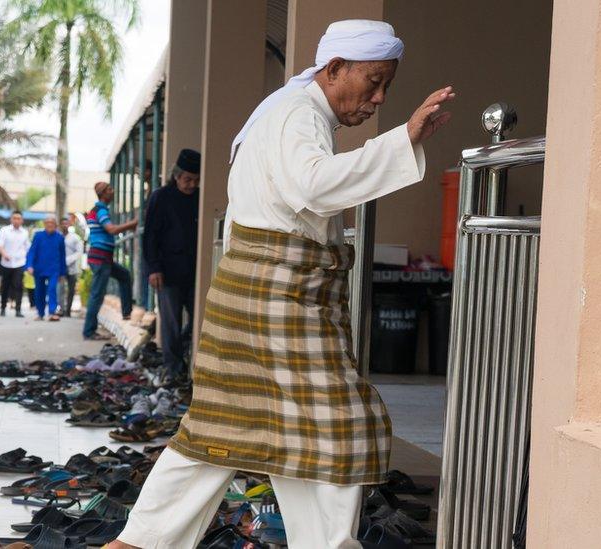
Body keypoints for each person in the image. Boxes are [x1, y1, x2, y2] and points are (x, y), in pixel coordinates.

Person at [108, 20, 455, 549]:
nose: (379, 98)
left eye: (387, 86)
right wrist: (401, 139)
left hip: (265, 292)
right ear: (335, 69)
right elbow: (313, 186)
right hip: (277, 295)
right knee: (337, 425)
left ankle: (138, 543)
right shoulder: (296, 114)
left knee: (238, 427)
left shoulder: (291, 111)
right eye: (374, 81)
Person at [142, 148, 201, 383]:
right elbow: (150, 237)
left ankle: (183, 356)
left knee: (198, 319)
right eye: (187, 179)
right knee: (170, 324)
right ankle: (172, 369)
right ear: (176, 176)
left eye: (196, 180)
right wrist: (153, 268)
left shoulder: (199, 198)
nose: (191, 185)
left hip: (193, 270)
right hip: (166, 271)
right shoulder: (161, 197)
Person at [82, 182, 137, 340]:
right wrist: (132, 224)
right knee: (97, 295)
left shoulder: (97, 209)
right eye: (110, 190)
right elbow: (111, 229)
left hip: (103, 258)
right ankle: (89, 331)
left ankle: (126, 313)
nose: (113, 192)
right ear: (103, 193)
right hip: (100, 259)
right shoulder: (100, 210)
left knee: (124, 276)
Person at [26, 214, 67, 321]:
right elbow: (32, 252)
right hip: (39, 268)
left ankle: (52, 312)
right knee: (39, 291)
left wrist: (63, 272)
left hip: (54, 269)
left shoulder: (60, 238)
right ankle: (40, 313)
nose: (50, 225)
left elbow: (63, 256)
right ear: (44, 224)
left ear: (56, 225)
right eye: (47, 222)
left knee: (52, 289)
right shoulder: (38, 236)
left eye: (52, 223)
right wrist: (29, 265)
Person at [0, 210, 29, 318]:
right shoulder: (4, 231)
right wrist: (4, 254)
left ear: (22, 220)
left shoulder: (25, 232)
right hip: (6, 263)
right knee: (5, 287)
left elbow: (27, 247)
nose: (16, 220)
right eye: (14, 218)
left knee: (19, 286)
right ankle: (2, 308)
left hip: (20, 263)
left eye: (18, 218)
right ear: (11, 219)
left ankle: (18, 309)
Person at [57, 216, 83, 317]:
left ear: (69, 225)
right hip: (60, 268)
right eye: (62, 223)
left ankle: (68, 310)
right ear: (60, 225)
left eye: (66, 223)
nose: (64, 225)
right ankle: (61, 309)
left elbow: (79, 252)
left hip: (72, 268)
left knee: (71, 290)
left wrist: (68, 260)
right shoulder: (57, 237)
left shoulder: (75, 237)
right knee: (60, 289)